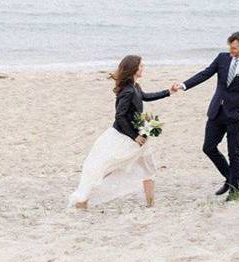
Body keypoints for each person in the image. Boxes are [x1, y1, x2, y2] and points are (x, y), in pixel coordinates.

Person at [70, 55, 171, 209]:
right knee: (105, 167)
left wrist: (169, 91)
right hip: (124, 138)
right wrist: (135, 136)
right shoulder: (128, 91)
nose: (143, 68)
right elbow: (120, 116)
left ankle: (151, 205)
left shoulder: (136, 87)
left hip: (141, 137)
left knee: (149, 169)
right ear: (134, 69)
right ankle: (82, 200)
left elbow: (146, 97)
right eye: (141, 65)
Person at [171, 31, 239, 200]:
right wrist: (183, 85)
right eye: (230, 47)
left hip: (236, 116)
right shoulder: (222, 58)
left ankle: (234, 189)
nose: (231, 50)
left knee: (233, 151)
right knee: (208, 147)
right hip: (216, 111)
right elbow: (205, 74)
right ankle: (230, 178)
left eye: (234, 48)